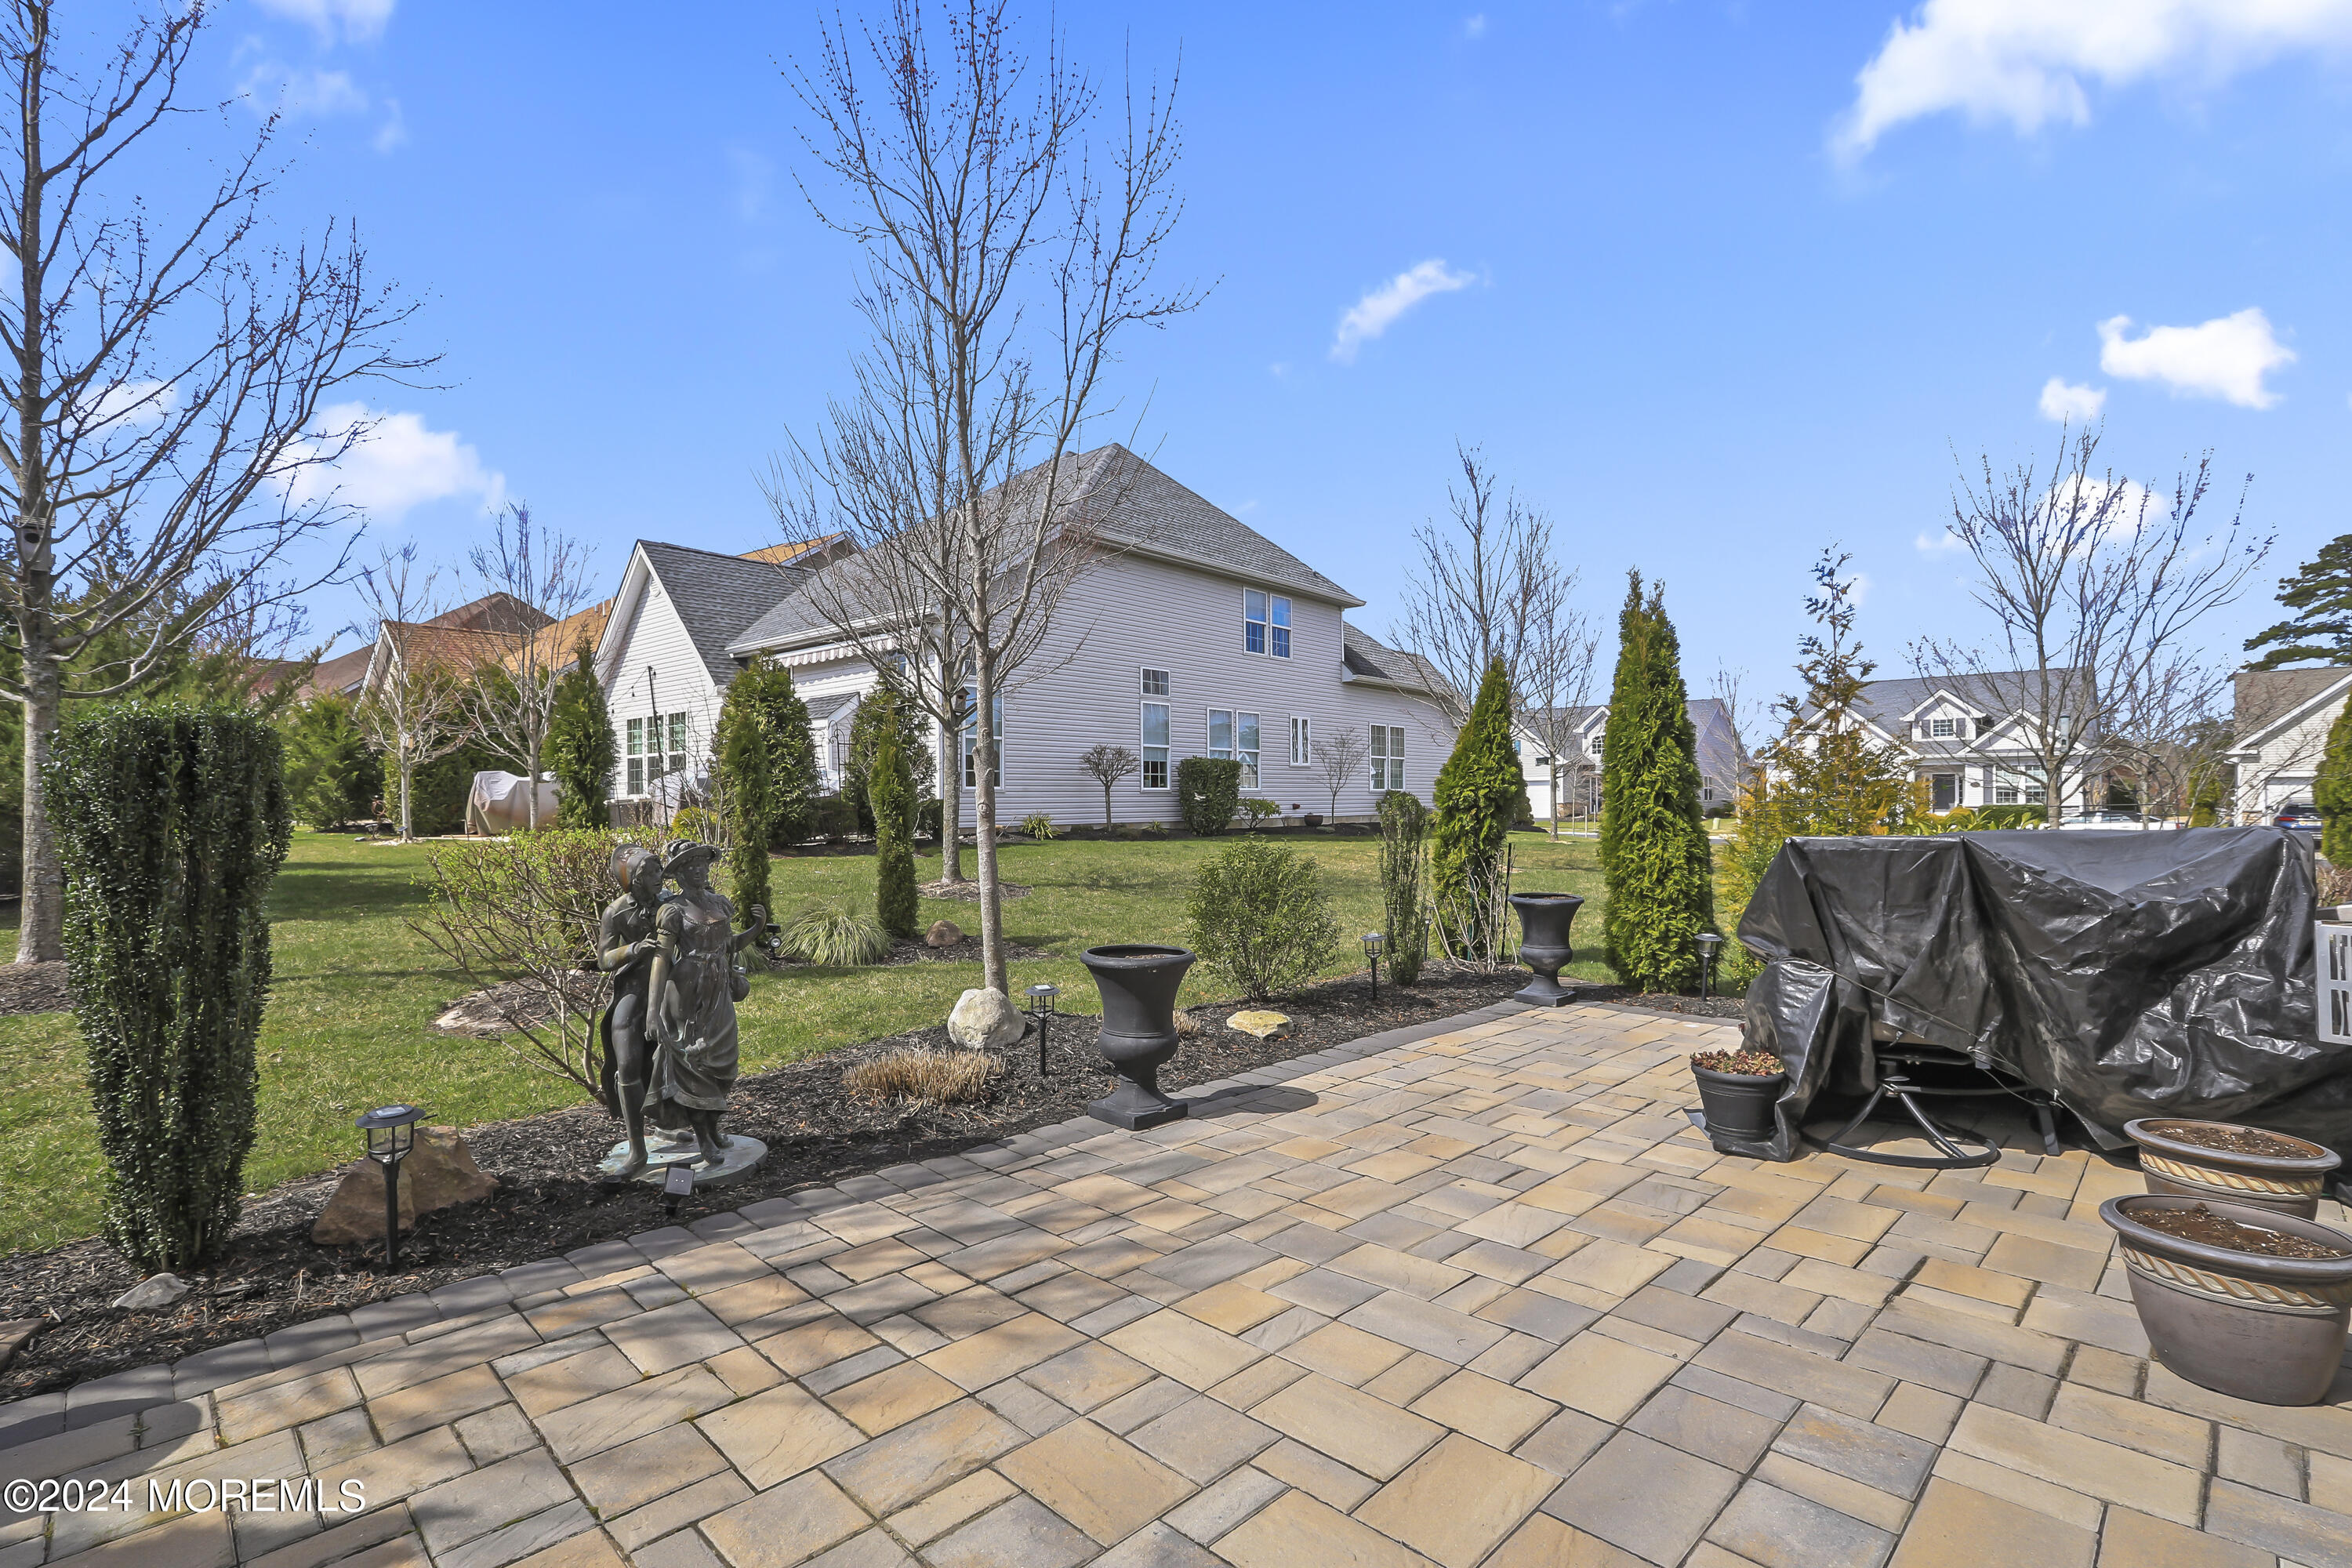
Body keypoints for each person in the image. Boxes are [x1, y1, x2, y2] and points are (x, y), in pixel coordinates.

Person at [643, 839, 767, 1168]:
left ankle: (712, 1127)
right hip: (687, 990)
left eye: (702, 864)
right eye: (690, 865)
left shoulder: (720, 904)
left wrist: (757, 927)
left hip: (719, 986)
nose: (699, 870)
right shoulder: (672, 911)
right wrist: (654, 1011)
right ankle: (703, 1137)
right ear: (679, 874)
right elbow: (661, 960)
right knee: (693, 1061)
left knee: (724, 1061)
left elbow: (729, 945)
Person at [595, 844, 667, 1180]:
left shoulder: (671, 902)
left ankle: (684, 1126)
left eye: (659, 870)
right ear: (633, 880)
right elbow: (604, 959)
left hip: (672, 985)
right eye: (651, 873)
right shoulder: (616, 912)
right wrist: (634, 949)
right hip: (634, 987)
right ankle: (638, 1148)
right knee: (626, 1064)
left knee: (681, 1056)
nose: (659, 877)